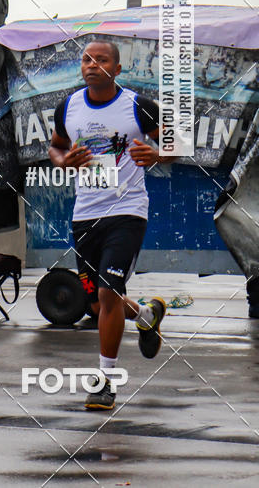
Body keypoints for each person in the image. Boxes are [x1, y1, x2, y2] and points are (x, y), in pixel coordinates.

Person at [49, 40, 167, 411]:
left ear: (116, 69)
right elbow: (55, 147)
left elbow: (175, 141)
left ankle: (105, 382)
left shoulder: (138, 106)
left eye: (101, 60)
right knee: (98, 304)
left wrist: (159, 153)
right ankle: (146, 315)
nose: (92, 64)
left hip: (127, 212)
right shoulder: (68, 106)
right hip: (85, 215)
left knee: (107, 293)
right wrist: (64, 160)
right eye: (86, 59)